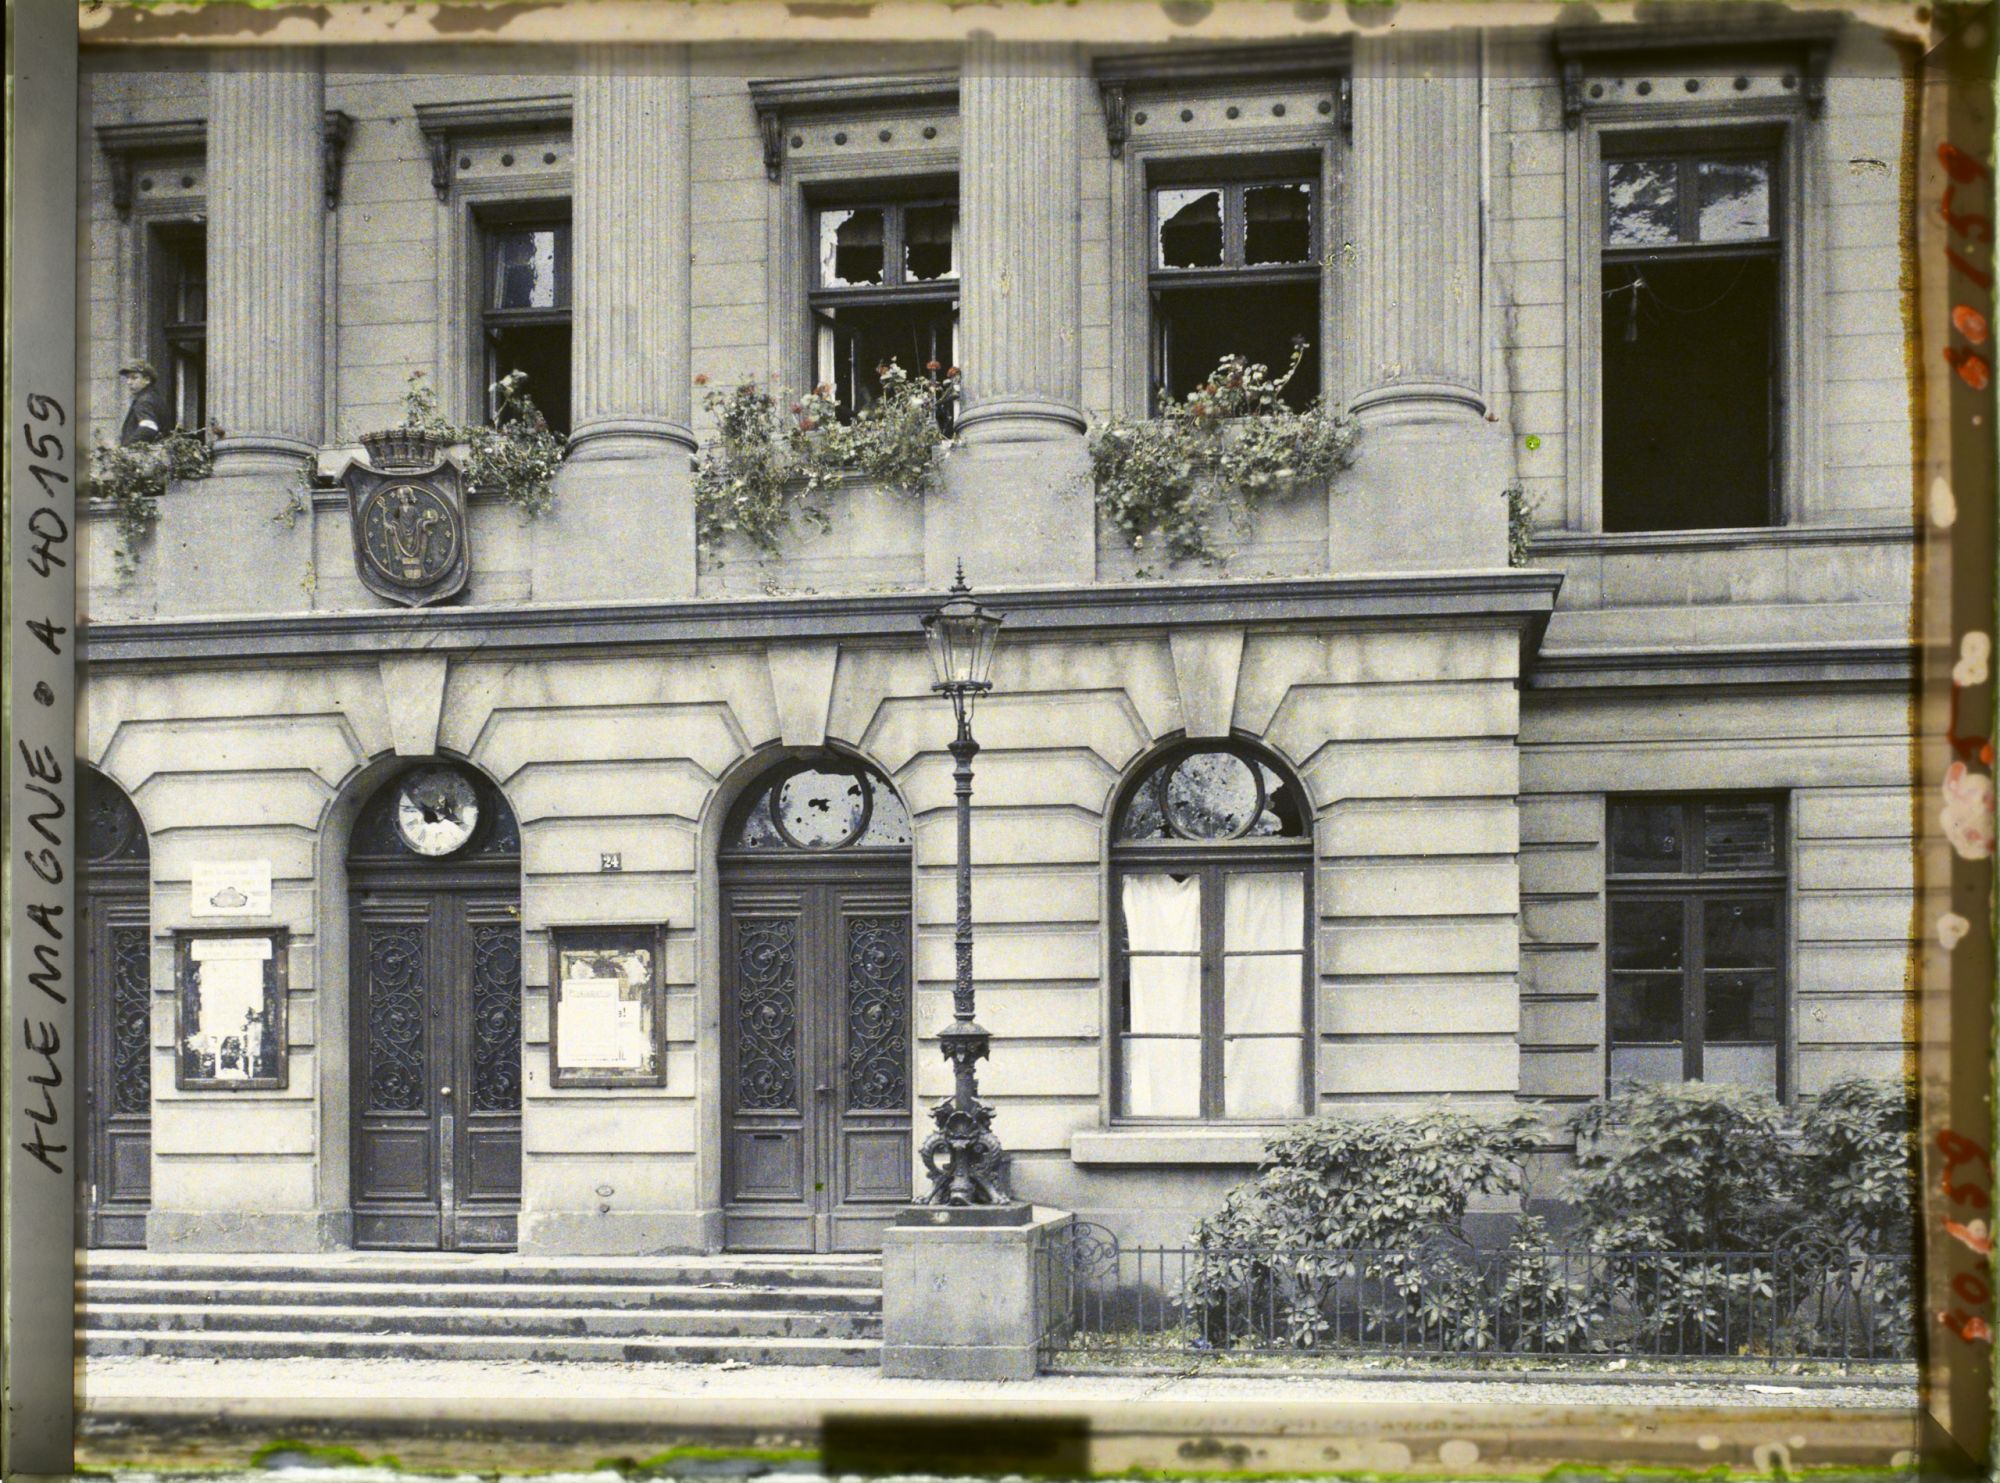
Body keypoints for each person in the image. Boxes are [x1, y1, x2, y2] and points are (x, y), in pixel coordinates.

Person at [118, 359, 176, 446]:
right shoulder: (154, 397)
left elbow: (148, 427)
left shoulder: (144, 400)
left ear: (147, 380)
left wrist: (125, 448)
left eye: (134, 377)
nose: (129, 382)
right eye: (127, 378)